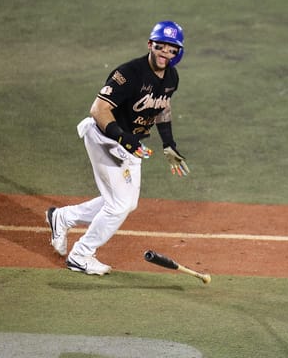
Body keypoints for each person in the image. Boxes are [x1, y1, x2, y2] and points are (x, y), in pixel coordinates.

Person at [46, 20, 190, 276]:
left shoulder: (171, 77)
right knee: (118, 205)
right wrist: (122, 137)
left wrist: (169, 143)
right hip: (105, 139)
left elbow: (162, 106)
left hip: (130, 145)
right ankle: (81, 255)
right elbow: (98, 109)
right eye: (160, 46)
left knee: (126, 203)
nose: (165, 53)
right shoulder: (128, 74)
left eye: (171, 49)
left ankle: (63, 217)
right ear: (150, 45)